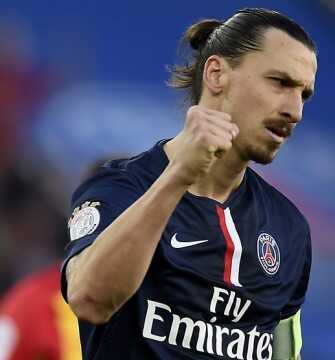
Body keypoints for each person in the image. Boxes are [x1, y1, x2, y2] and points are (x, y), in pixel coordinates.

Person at [61, 8, 317, 360]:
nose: (295, 110)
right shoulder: (120, 187)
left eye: (304, 94)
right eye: (281, 83)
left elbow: (285, 354)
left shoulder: (289, 228)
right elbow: (90, 300)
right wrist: (178, 177)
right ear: (216, 75)